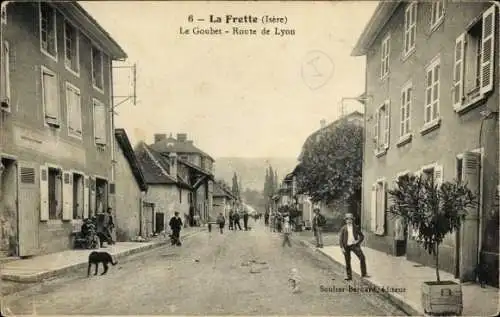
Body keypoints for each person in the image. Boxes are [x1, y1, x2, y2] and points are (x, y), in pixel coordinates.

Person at [339, 213, 368, 280]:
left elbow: (362, 236)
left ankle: (364, 274)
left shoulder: (356, 227)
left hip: (354, 245)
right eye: (347, 219)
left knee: (362, 257)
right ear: (345, 220)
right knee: (347, 261)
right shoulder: (343, 228)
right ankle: (349, 276)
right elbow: (340, 239)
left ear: (352, 220)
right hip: (346, 246)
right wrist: (342, 247)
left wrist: (357, 241)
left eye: (350, 219)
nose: (349, 221)